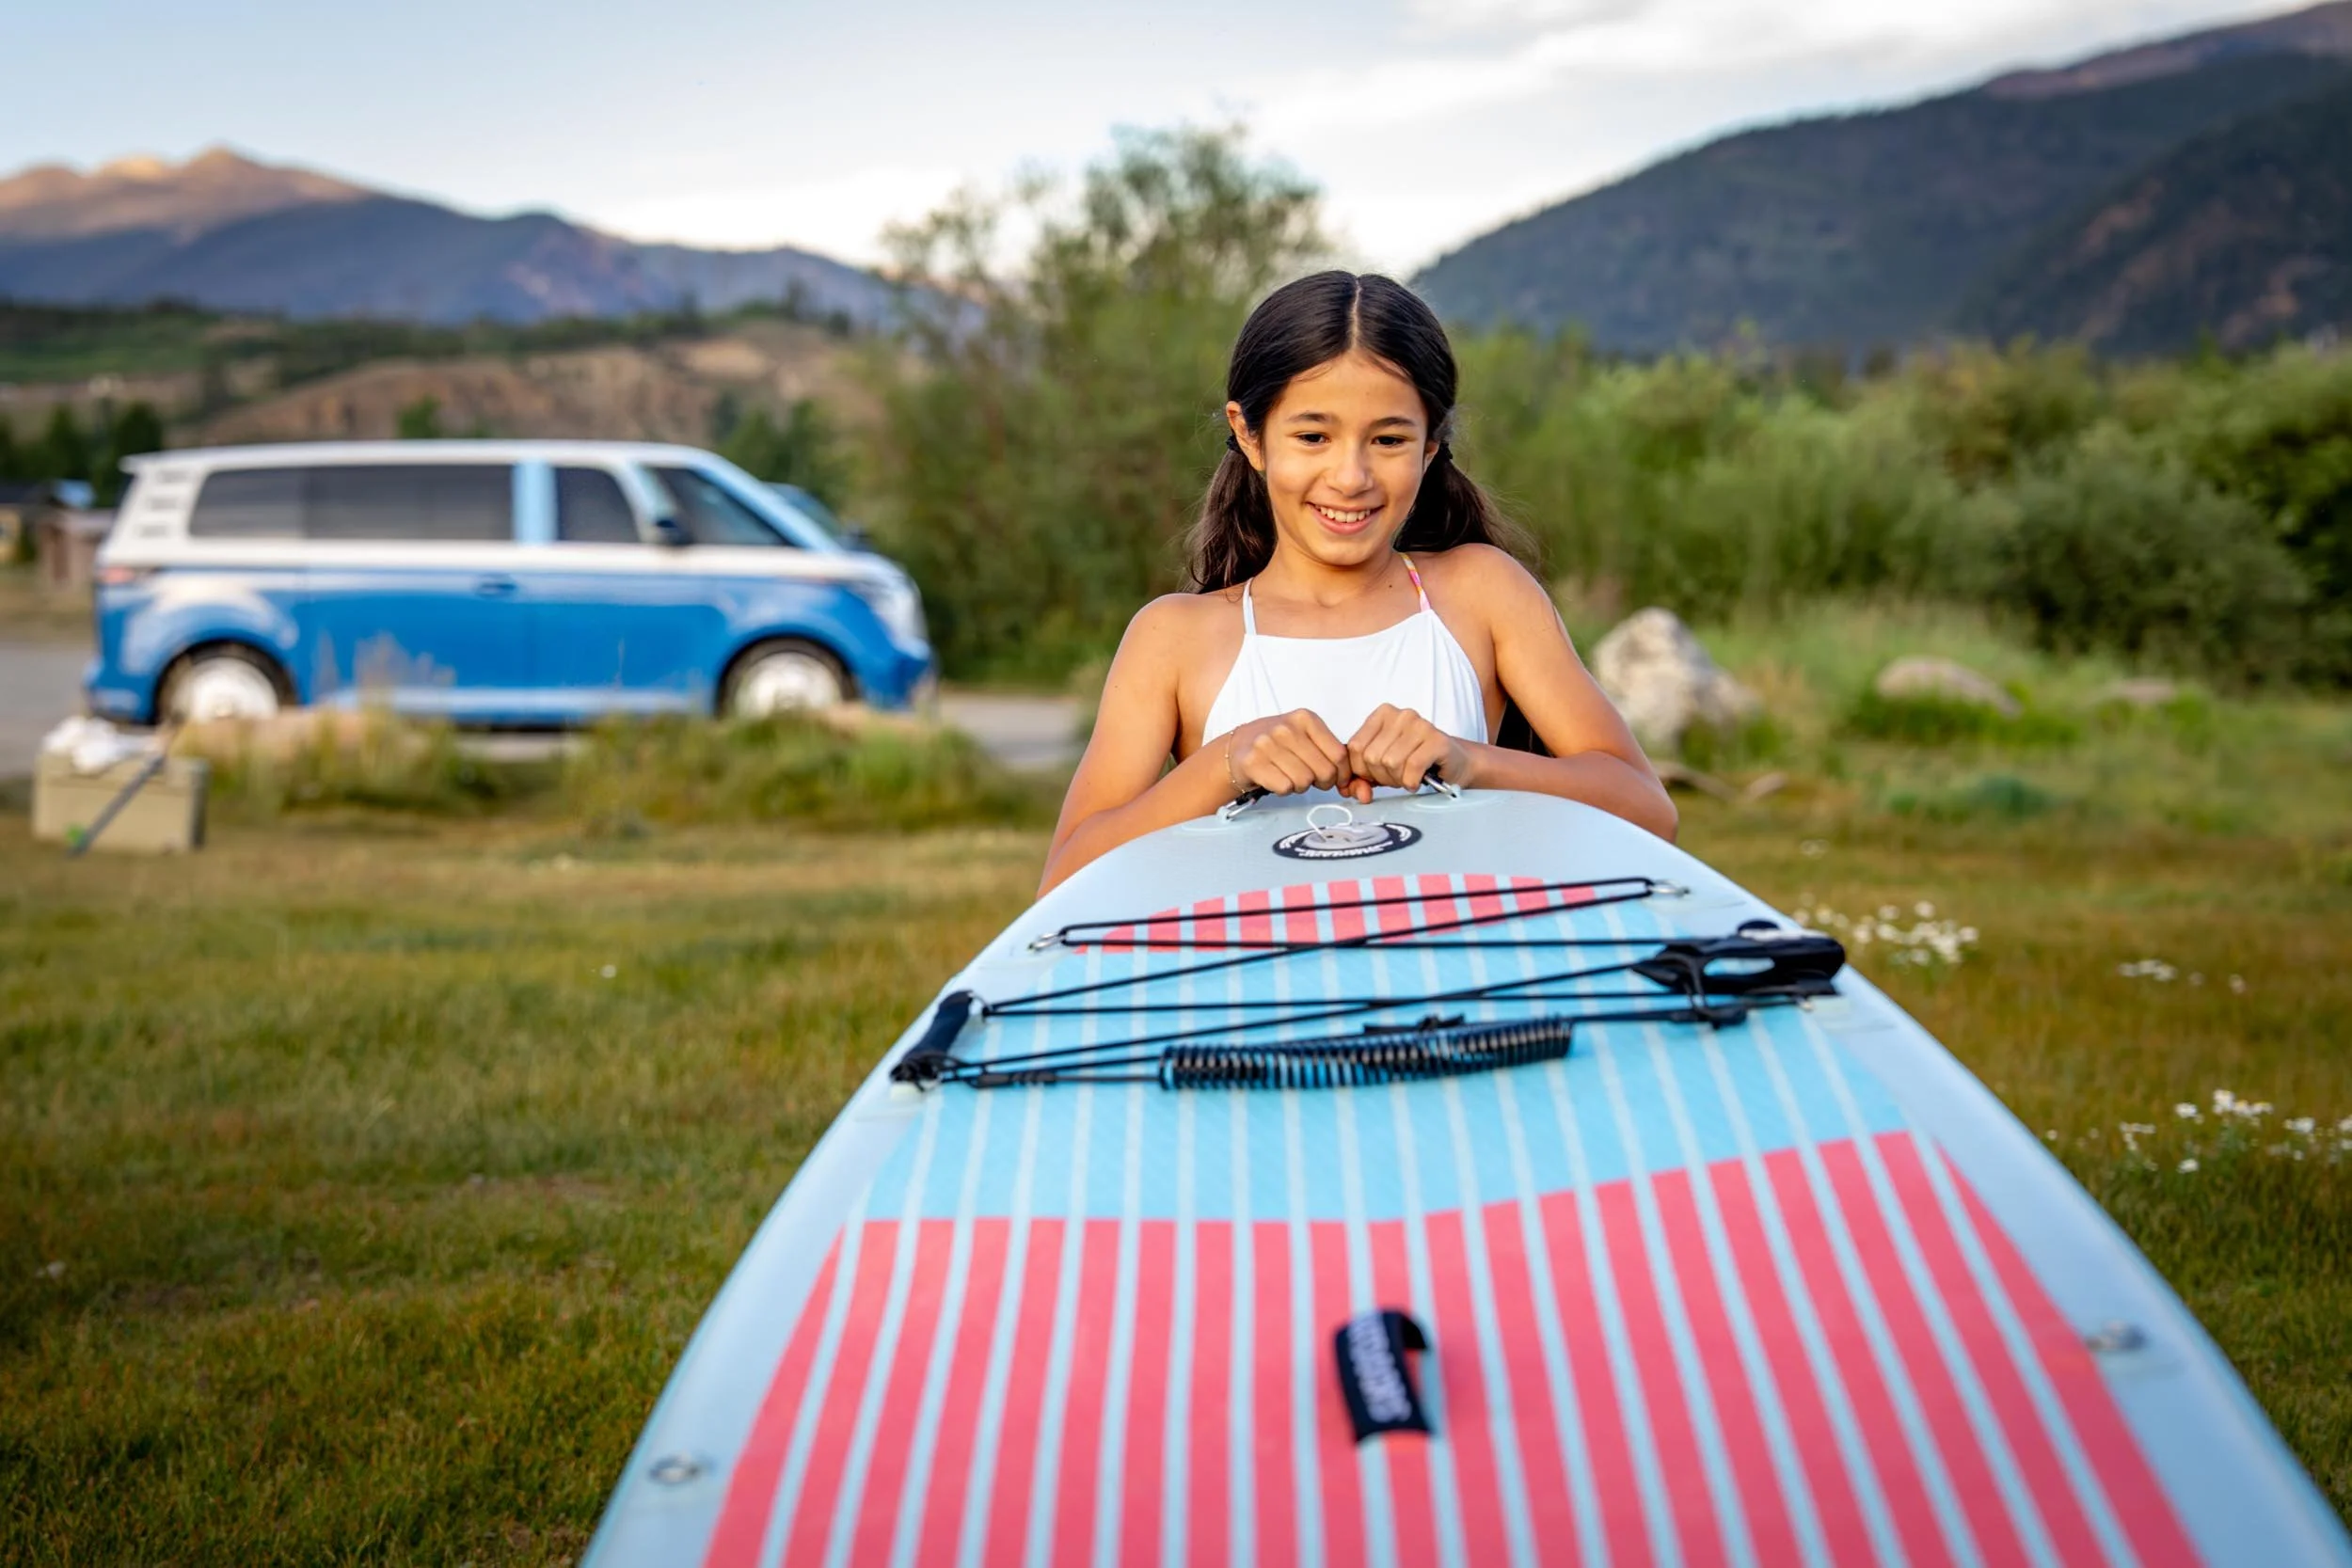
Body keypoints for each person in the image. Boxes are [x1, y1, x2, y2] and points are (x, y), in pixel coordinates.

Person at [1041, 271, 1675, 894]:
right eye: (1313, 436)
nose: (1351, 476)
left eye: (1389, 438)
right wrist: (1223, 764)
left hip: (1456, 982)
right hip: (1264, 990)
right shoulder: (1174, 637)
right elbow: (1065, 881)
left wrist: (1469, 760)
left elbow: (1649, 809)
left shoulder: (1482, 593)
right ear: (1249, 434)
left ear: (1431, 446)